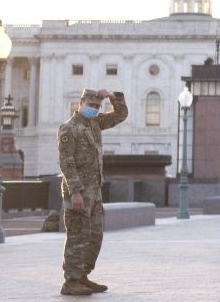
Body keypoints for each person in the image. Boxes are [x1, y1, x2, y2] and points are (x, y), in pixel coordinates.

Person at [57, 88, 127, 296]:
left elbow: (120, 115)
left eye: (97, 106)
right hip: (78, 193)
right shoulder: (69, 129)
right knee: (78, 236)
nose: (94, 109)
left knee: (94, 236)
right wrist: (75, 192)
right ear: (80, 103)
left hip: (94, 192)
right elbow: (66, 162)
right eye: (91, 105)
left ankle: (82, 276)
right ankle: (70, 280)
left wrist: (114, 98)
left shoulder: (94, 124)